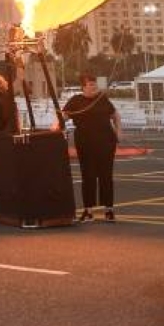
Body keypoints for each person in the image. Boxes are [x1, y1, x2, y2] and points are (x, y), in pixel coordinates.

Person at [62, 74, 121, 221]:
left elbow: (115, 116)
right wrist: (55, 129)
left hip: (106, 142)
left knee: (106, 176)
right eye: (90, 84)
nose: (94, 87)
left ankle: (109, 210)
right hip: (85, 144)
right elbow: (63, 117)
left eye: (95, 84)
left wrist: (119, 132)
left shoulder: (103, 99)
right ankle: (88, 210)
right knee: (87, 176)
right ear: (83, 86)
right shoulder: (76, 100)